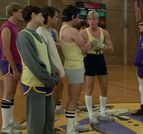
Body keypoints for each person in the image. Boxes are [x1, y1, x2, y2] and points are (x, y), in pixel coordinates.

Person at [16, 5, 59, 134]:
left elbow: (47, 59)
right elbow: (33, 63)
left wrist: (53, 75)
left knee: (48, 121)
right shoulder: (24, 36)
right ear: (33, 15)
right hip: (34, 84)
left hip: (46, 83)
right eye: (41, 15)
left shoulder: (38, 35)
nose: (43, 17)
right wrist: (50, 80)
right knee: (36, 123)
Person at [59, 5, 90, 133]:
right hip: (75, 67)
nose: (79, 20)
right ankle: (70, 129)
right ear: (73, 17)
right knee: (73, 99)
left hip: (70, 65)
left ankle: (74, 124)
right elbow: (85, 48)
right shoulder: (72, 31)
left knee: (74, 98)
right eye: (78, 17)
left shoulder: (62, 29)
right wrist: (92, 43)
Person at [80, 10, 114, 124]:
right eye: (90, 19)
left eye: (94, 19)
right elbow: (81, 50)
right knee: (89, 87)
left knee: (104, 87)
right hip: (89, 59)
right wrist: (89, 46)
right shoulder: (83, 33)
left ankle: (103, 112)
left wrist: (101, 45)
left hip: (100, 59)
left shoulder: (104, 32)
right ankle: (91, 115)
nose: (92, 21)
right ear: (87, 20)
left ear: (98, 20)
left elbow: (111, 48)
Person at [0, 2, 25, 133]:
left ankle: (10, 122)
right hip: (9, 64)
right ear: (14, 12)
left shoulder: (15, 27)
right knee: (7, 93)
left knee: (12, 95)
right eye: (20, 12)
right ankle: (5, 126)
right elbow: (5, 49)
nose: (22, 14)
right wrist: (14, 68)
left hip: (16, 63)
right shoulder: (6, 27)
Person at [36, 6, 65, 115]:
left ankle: (50, 124)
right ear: (49, 17)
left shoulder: (48, 31)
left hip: (55, 71)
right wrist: (53, 67)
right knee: (49, 102)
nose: (58, 19)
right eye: (56, 17)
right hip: (51, 72)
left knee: (53, 101)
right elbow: (42, 55)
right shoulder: (40, 32)